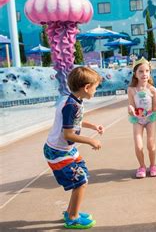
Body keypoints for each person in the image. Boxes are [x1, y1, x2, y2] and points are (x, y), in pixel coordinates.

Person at [43, 66, 103, 229]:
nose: (95, 91)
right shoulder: (71, 105)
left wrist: (93, 126)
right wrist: (90, 140)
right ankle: (73, 218)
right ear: (86, 87)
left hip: (65, 150)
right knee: (80, 181)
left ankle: (71, 211)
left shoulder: (71, 99)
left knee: (82, 173)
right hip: (58, 152)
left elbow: (75, 120)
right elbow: (68, 134)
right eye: (95, 88)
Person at [127, 57, 156, 178]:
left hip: (150, 119)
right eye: (141, 71)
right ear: (135, 74)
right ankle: (142, 166)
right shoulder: (131, 90)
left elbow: (155, 106)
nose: (144, 74)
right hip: (137, 120)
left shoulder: (152, 90)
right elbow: (131, 104)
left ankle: (153, 165)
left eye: (147, 71)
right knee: (138, 145)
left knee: (150, 144)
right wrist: (131, 109)